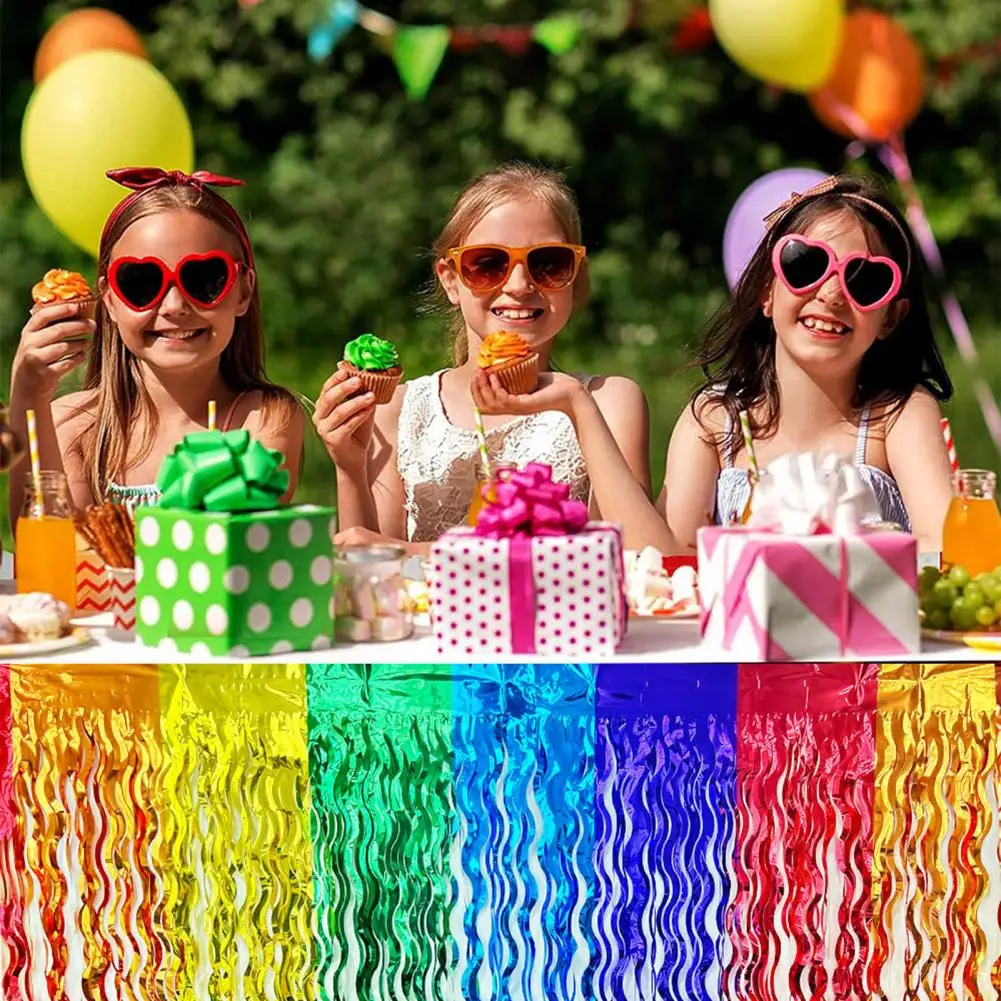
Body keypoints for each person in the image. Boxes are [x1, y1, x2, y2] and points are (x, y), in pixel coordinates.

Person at [316, 161, 673, 554]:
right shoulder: (400, 411)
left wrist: (576, 405)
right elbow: (366, 559)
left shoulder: (606, 402)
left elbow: (643, 557)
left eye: (548, 263)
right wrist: (349, 468)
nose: (519, 285)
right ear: (450, 280)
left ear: (576, 275)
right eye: (487, 264)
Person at [660, 173, 953, 553]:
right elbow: (671, 555)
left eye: (865, 280)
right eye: (806, 264)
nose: (832, 294)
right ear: (766, 291)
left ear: (891, 318)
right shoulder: (716, 419)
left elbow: (941, 545)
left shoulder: (900, 415)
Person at [8, 167, 303, 526]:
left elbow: (227, 546)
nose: (174, 306)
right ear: (109, 300)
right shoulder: (70, 425)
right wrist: (28, 395)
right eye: (142, 282)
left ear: (244, 291)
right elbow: (48, 547)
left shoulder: (262, 419)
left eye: (204, 278)